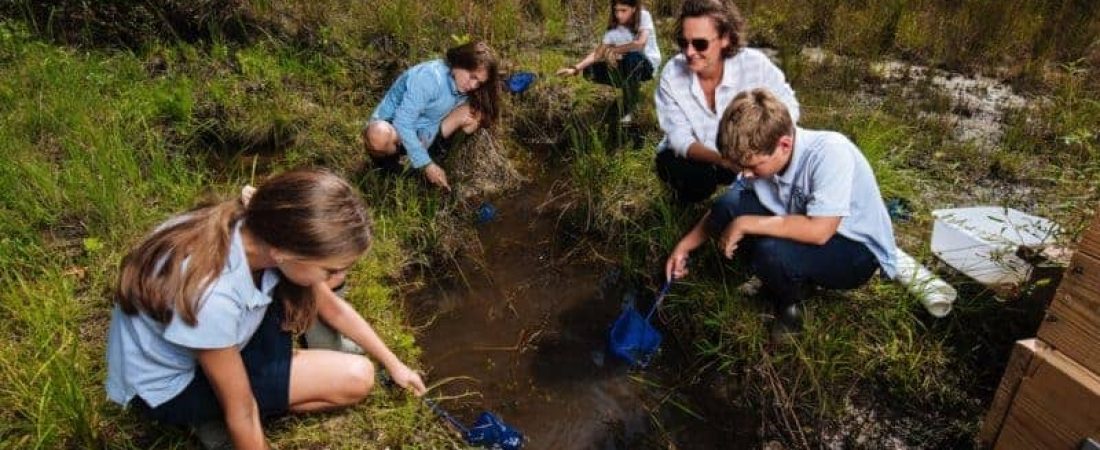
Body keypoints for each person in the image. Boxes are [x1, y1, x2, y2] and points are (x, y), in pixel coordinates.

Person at [106, 169, 427, 449]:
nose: (338, 278)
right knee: (357, 379)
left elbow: (334, 309)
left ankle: (256, 388)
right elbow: (242, 409)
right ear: (285, 252)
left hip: (208, 343)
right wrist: (243, 424)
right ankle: (208, 421)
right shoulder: (213, 296)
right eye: (330, 270)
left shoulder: (258, 225)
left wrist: (394, 363)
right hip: (172, 387)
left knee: (306, 299)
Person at [665, 88, 897, 337]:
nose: (746, 174)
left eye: (752, 167)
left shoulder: (830, 153)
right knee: (728, 204)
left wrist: (746, 223)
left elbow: (820, 231)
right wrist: (684, 247)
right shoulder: (761, 156)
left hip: (853, 251)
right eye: (741, 167)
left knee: (772, 251)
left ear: (784, 145)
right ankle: (779, 276)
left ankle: (790, 307)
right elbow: (726, 208)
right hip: (802, 221)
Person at [654, 0, 799, 203]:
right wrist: (723, 161)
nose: (689, 52)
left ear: (725, 38)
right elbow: (678, 138)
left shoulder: (754, 64)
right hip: (698, 156)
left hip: (746, 152)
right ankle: (685, 204)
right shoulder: (672, 73)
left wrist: (762, 143)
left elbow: (789, 108)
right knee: (692, 178)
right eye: (683, 42)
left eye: (700, 44)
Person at [362, 41, 500, 192]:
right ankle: (393, 172)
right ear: (460, 62)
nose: (473, 85)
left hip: (424, 133)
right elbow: (402, 122)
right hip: (395, 130)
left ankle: (437, 168)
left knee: (474, 116)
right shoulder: (430, 78)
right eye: (472, 76)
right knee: (378, 135)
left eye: (479, 83)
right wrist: (426, 164)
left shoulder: (463, 86)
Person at [556, 0, 661, 124]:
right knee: (590, 70)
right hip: (627, 64)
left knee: (632, 57)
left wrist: (613, 50)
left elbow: (640, 44)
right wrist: (575, 68)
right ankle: (629, 89)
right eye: (616, 10)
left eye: (623, 10)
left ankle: (630, 107)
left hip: (646, 65)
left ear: (633, 9)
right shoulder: (615, 24)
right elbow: (598, 53)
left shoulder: (643, 15)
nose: (619, 15)